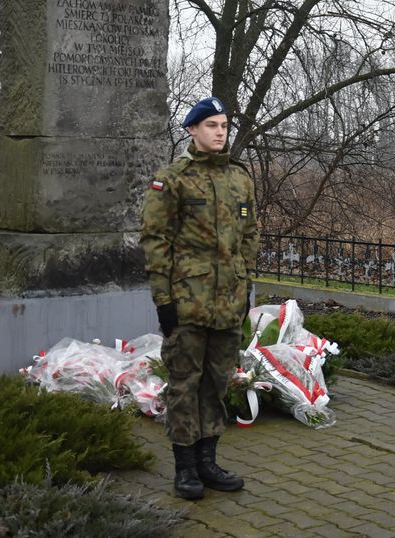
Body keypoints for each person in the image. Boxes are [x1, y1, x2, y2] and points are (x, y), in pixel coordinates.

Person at [140, 96, 259, 499]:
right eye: (211, 125)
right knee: (184, 384)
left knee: (216, 383)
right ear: (192, 130)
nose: (220, 132)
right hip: (187, 302)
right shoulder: (172, 179)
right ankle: (185, 468)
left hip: (228, 302)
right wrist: (163, 301)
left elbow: (250, 236)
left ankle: (208, 461)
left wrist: (244, 285)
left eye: (224, 125)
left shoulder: (240, 178)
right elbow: (156, 240)